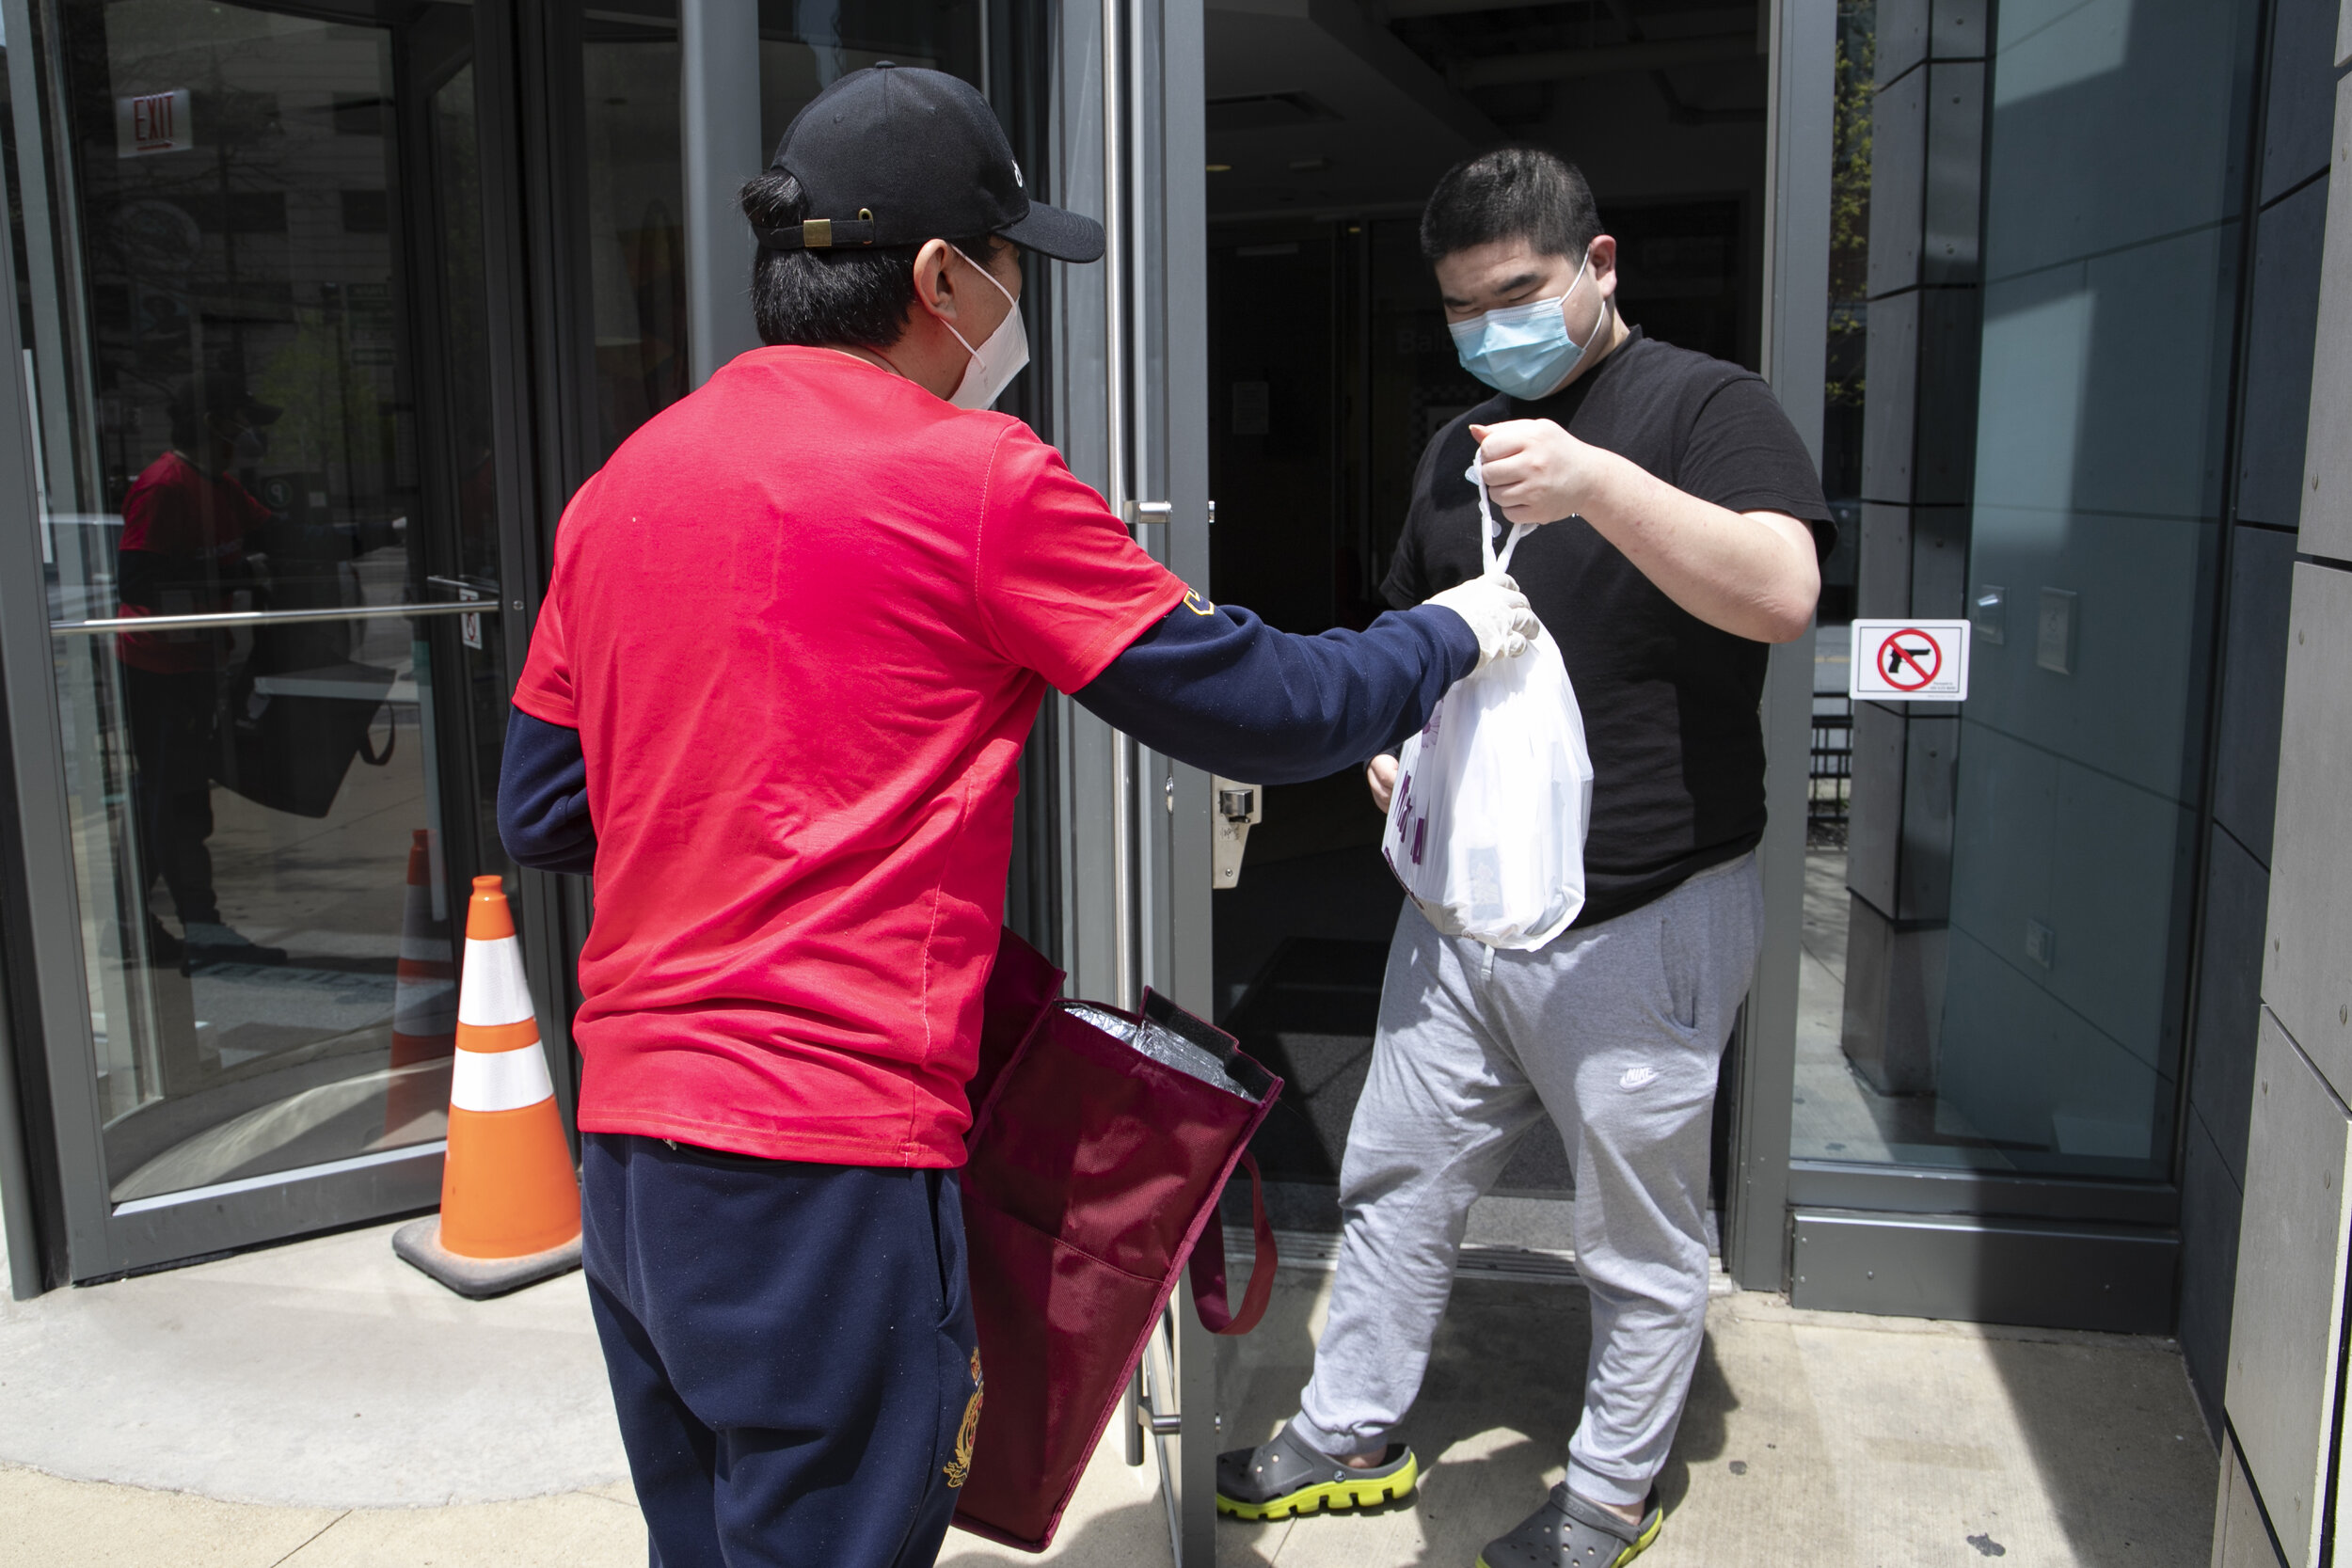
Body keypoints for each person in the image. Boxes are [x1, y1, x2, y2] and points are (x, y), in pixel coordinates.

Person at [493, 65, 1537, 1568]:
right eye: (1005, 269)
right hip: (828, 1155)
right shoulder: (972, 479)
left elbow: (544, 802)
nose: (1011, 308)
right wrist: (1454, 631)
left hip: (637, 1149)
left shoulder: (624, 483)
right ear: (938, 278)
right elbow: (1263, 704)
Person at [1213, 148, 1833, 1568]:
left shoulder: (1703, 406)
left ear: (1599, 266)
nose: (1492, 327)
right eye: (1460, 307)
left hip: (1645, 911)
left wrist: (1601, 482)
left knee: (1637, 1230)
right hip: (1460, 914)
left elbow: (1783, 592)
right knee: (1395, 1180)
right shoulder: (1456, 448)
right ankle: (1352, 1428)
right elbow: (1420, 627)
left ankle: (1613, 1489)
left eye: (1521, 292)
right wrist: (1392, 738)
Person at [116, 381, 289, 967]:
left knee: (174, 800)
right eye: (243, 422)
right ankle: (183, 930)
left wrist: (389, 534)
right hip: (159, 667)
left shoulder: (222, 487)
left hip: (194, 665)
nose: (250, 436)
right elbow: (138, 582)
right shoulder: (164, 486)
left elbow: (284, 540)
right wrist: (233, 578)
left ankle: (174, 928)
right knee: (171, 800)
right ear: (215, 425)